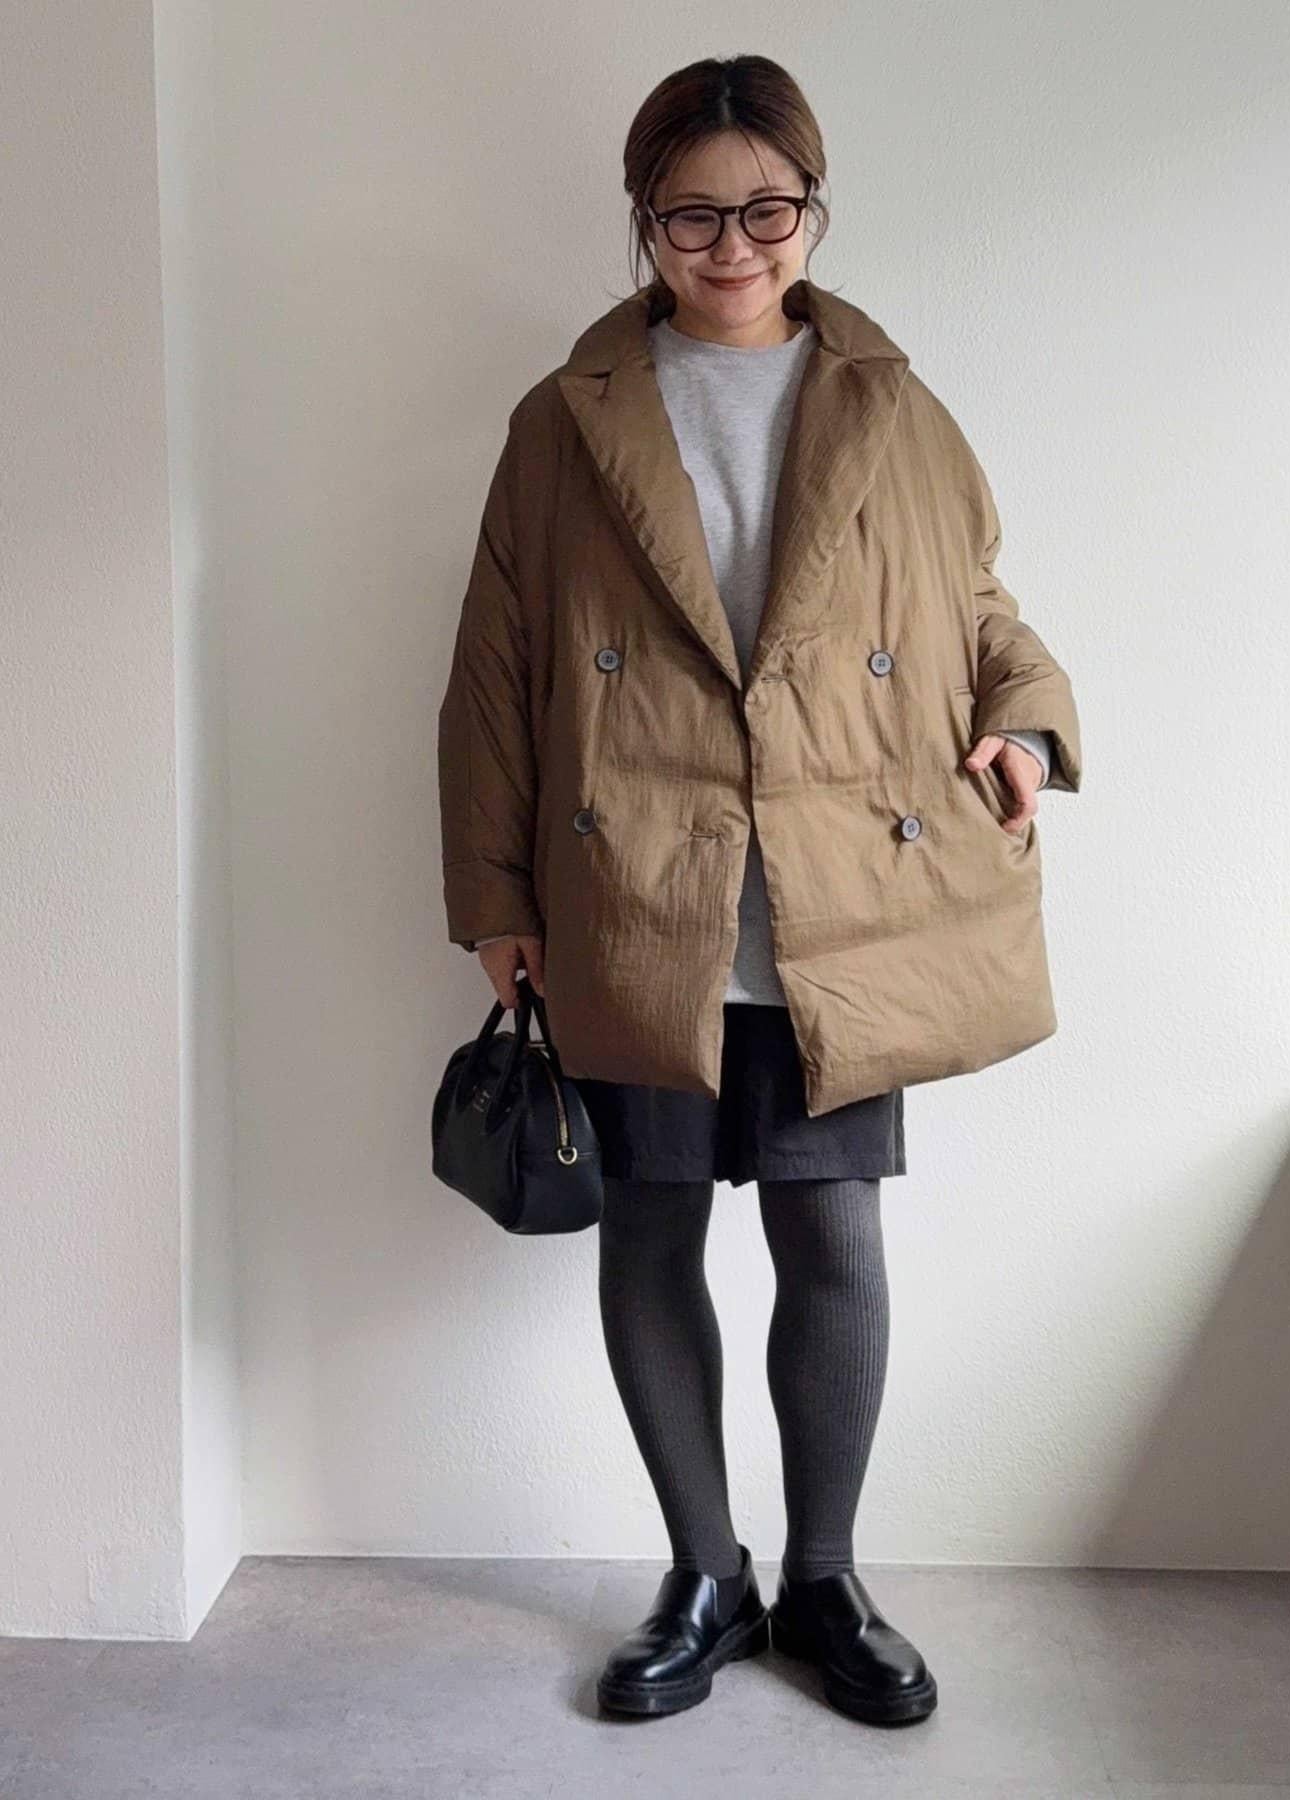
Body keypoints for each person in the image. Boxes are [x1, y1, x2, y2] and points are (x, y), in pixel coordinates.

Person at [437, 54, 1082, 1728]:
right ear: (644, 220)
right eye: (693, 215)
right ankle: (706, 1575)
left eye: (767, 209)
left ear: (813, 208)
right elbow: (497, 669)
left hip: (835, 895)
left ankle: (827, 1580)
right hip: (639, 880)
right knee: (652, 1232)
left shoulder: (892, 405)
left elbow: (979, 606)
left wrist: (1024, 723)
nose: (734, 247)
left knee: (831, 1235)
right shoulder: (564, 420)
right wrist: (493, 895)